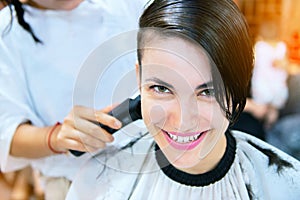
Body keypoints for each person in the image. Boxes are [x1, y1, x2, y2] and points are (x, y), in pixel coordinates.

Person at [66, 0, 300, 199]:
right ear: (139, 80)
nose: (182, 122)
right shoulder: (98, 182)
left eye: (207, 92)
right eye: (161, 88)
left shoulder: (287, 185)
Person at [0, 0, 149, 199]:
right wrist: (57, 137)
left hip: (158, 163)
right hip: (75, 182)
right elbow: (8, 135)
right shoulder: (7, 31)